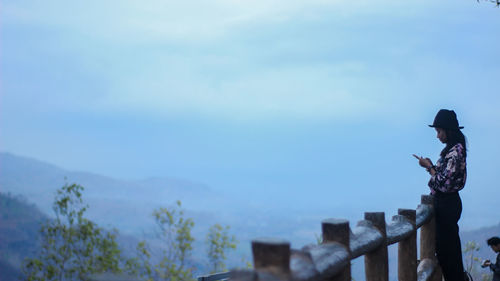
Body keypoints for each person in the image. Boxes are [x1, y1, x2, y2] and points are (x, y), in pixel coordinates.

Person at [413, 109, 467, 281]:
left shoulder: (455, 151)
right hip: (447, 204)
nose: (437, 136)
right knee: (448, 251)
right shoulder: (453, 150)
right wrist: (431, 167)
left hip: (447, 205)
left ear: (448, 130)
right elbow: (444, 178)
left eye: (439, 131)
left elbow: (444, 184)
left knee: (447, 254)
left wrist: (429, 168)